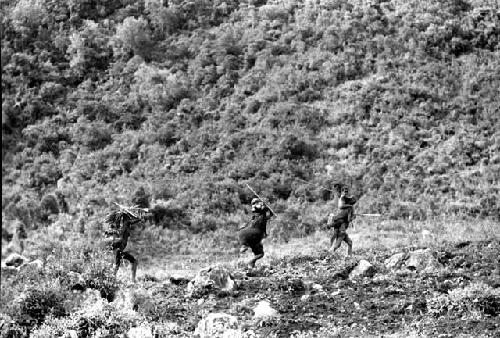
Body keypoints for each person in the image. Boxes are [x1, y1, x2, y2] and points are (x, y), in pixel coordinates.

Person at [104, 208, 143, 282]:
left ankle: (131, 280)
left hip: (117, 248)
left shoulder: (121, 225)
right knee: (117, 264)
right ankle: (113, 280)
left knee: (122, 263)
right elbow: (137, 219)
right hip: (117, 247)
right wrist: (140, 216)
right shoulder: (126, 222)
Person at [238, 198, 273, 269]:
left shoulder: (254, 216)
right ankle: (251, 261)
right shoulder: (261, 212)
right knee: (260, 254)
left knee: (256, 251)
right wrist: (266, 205)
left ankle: (244, 246)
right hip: (256, 234)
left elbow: (269, 214)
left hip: (243, 233)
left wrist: (266, 206)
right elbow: (267, 212)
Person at [327, 186, 357, 255]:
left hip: (340, 227)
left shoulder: (345, 207)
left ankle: (349, 256)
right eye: (345, 191)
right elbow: (349, 219)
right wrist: (353, 217)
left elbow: (343, 215)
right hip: (342, 229)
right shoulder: (349, 207)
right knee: (337, 245)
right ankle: (328, 255)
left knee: (350, 242)